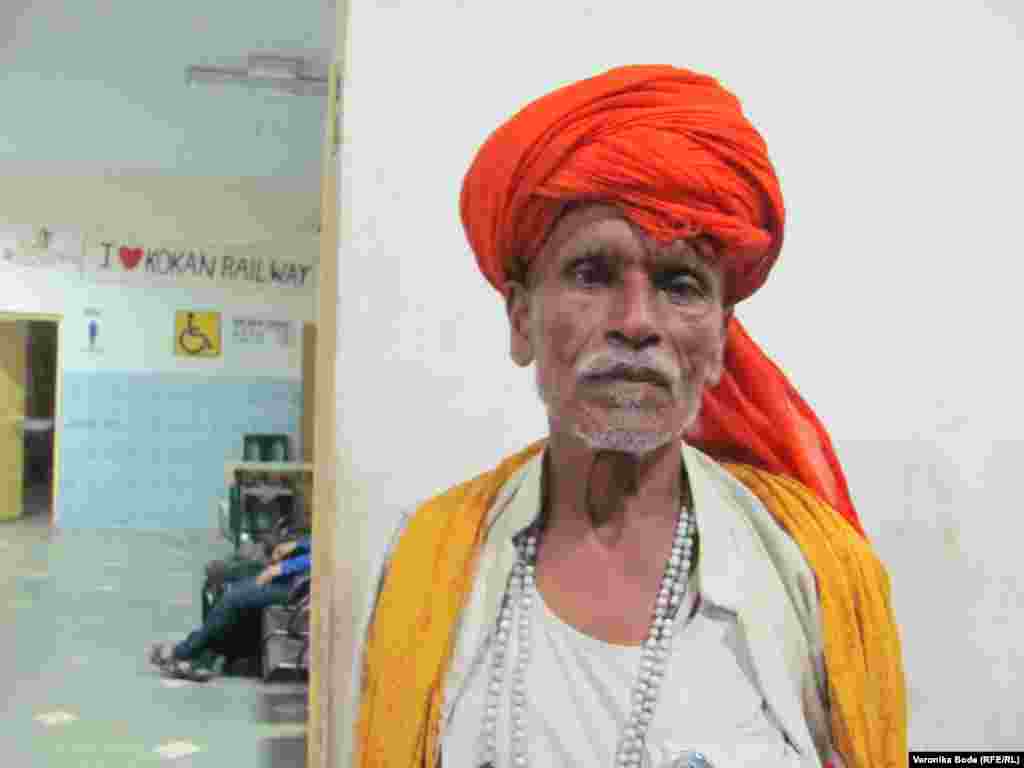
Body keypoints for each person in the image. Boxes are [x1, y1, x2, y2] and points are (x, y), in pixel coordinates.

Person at [348, 66, 905, 768]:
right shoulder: (431, 565)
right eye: (592, 274)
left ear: (719, 341)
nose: (637, 322)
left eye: (680, 284)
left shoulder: (817, 576)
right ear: (521, 319)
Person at [148, 536, 311, 681]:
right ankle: (202, 658)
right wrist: (298, 545)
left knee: (233, 598)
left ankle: (182, 652)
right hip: (295, 574)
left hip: (302, 587)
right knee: (222, 578)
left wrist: (284, 568)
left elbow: (322, 558)